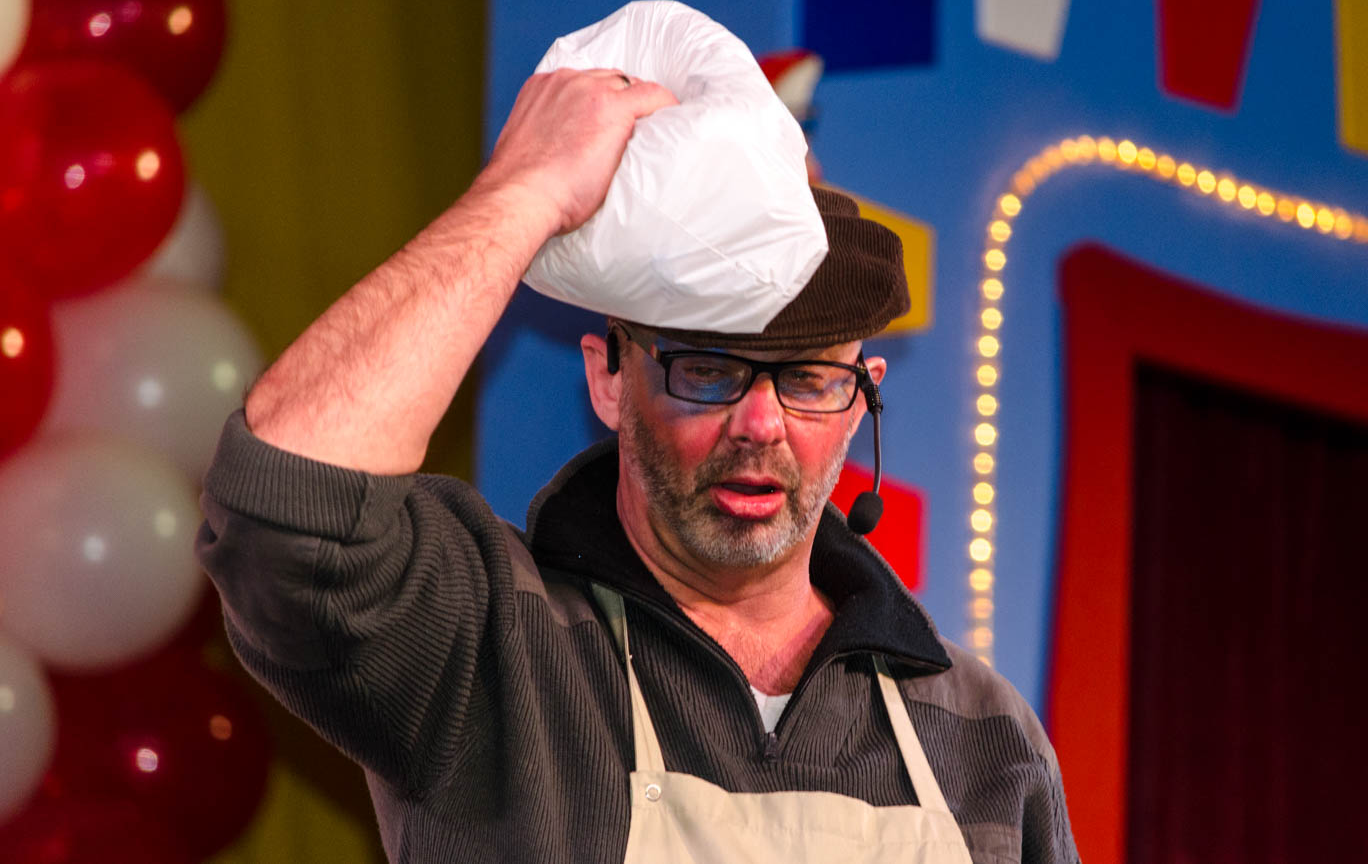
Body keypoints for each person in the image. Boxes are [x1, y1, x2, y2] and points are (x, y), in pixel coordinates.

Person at [197, 66, 1079, 863]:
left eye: (808, 379)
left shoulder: (983, 731)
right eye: (709, 371)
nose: (760, 425)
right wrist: (525, 191)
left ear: (862, 399)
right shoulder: (491, 644)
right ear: (609, 378)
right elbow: (286, 508)